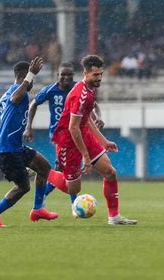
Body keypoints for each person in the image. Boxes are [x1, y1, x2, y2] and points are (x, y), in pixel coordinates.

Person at [50, 55, 137, 225]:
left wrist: (103, 141)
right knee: (73, 188)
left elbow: (87, 119)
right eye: (95, 75)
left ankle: (114, 217)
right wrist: (86, 156)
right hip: (69, 141)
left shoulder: (89, 90)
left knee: (110, 172)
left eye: (101, 74)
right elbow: (72, 127)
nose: (99, 78)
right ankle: (44, 172)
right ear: (85, 73)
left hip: (84, 136)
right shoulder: (80, 94)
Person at [0, 57, 58, 227]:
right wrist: (31, 74)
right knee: (23, 187)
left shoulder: (5, 97)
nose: (31, 83)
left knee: (44, 167)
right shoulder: (16, 93)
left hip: (15, 148)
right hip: (7, 151)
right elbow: (15, 98)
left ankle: (38, 209)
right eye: (30, 78)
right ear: (23, 75)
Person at [24, 62, 105, 216]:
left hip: (77, 134)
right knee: (65, 170)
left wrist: (98, 118)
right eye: (63, 74)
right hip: (61, 135)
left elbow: (94, 106)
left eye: (69, 75)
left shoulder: (78, 89)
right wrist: (28, 127)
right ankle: (46, 200)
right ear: (58, 75)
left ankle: (48, 199)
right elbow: (33, 103)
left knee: (70, 170)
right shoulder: (50, 90)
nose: (66, 77)